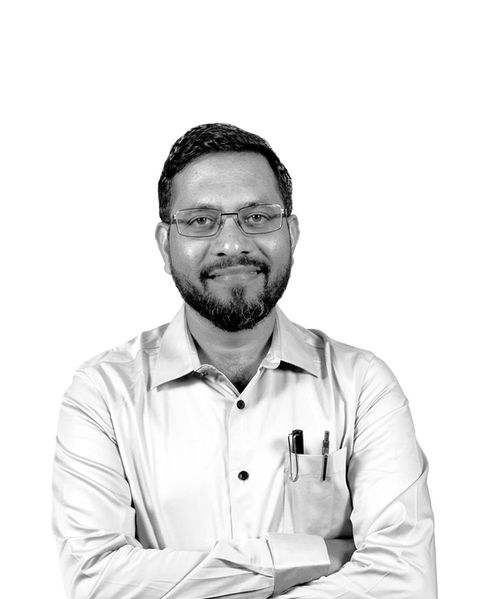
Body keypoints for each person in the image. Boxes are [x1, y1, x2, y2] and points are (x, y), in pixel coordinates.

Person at [52, 123, 437, 598]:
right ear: (165, 245)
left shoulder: (362, 386)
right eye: (200, 220)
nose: (233, 244)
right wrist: (307, 556)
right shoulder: (102, 395)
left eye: (257, 217)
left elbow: (404, 581)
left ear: (291, 233)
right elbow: (97, 581)